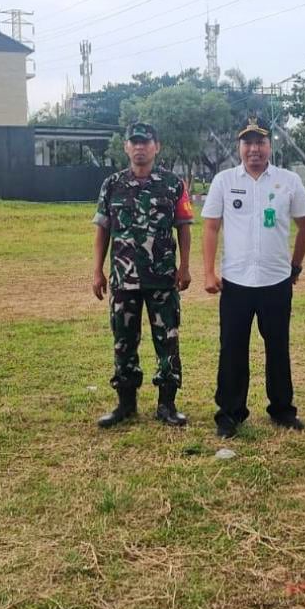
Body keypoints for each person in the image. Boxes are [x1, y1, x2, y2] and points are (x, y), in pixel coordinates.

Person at [202, 117, 305, 438]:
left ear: (270, 146)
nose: (254, 149)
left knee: (278, 347)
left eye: (260, 142)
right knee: (232, 348)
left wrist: (296, 265)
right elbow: (211, 227)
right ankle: (230, 413)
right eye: (248, 143)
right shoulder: (224, 181)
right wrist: (209, 272)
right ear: (239, 146)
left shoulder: (288, 180)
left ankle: (282, 410)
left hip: (276, 281)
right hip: (235, 282)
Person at [92, 122, 194, 427]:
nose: (139, 147)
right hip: (123, 280)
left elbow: (184, 227)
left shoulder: (172, 184)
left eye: (145, 142)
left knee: (168, 340)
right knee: (123, 341)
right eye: (134, 142)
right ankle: (126, 403)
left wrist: (185, 266)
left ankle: (167, 405)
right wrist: (97, 270)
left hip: (162, 278)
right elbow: (103, 229)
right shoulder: (112, 185)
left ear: (156, 146)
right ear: (126, 147)